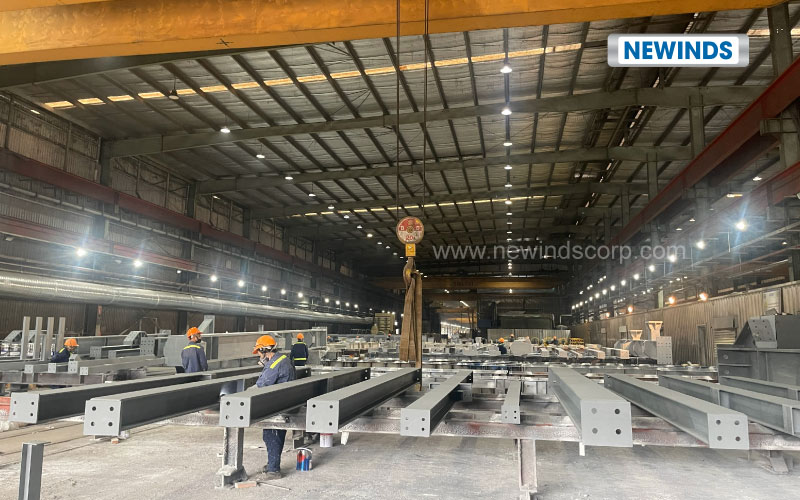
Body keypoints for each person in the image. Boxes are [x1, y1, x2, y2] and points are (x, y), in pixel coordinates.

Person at [253, 334, 296, 480]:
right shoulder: (284, 359)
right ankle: (272, 463)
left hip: (276, 405)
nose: (259, 356)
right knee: (276, 435)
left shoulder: (274, 364)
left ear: (264, 350)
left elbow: (262, 383)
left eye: (259, 353)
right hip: (286, 401)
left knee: (271, 435)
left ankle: (274, 470)